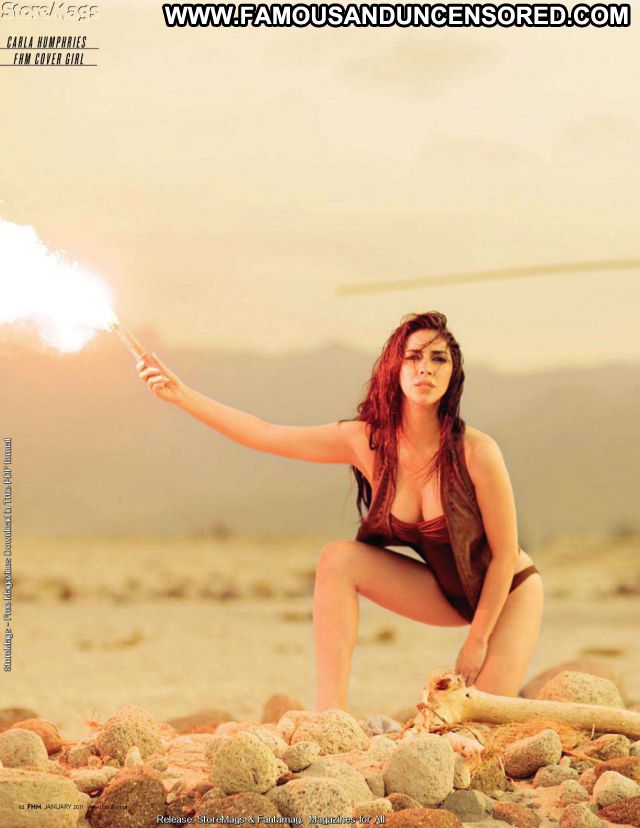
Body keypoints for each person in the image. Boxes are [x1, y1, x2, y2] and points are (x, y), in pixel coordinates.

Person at [137, 311, 544, 715]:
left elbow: (504, 555)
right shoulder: (366, 441)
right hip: (445, 593)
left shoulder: (477, 451)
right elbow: (266, 434)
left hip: (508, 593)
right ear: (394, 368)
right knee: (338, 559)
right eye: (413, 357)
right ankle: (331, 714)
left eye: (439, 359)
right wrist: (181, 395)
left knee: (476, 728)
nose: (426, 368)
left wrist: (477, 641)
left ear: (453, 374)